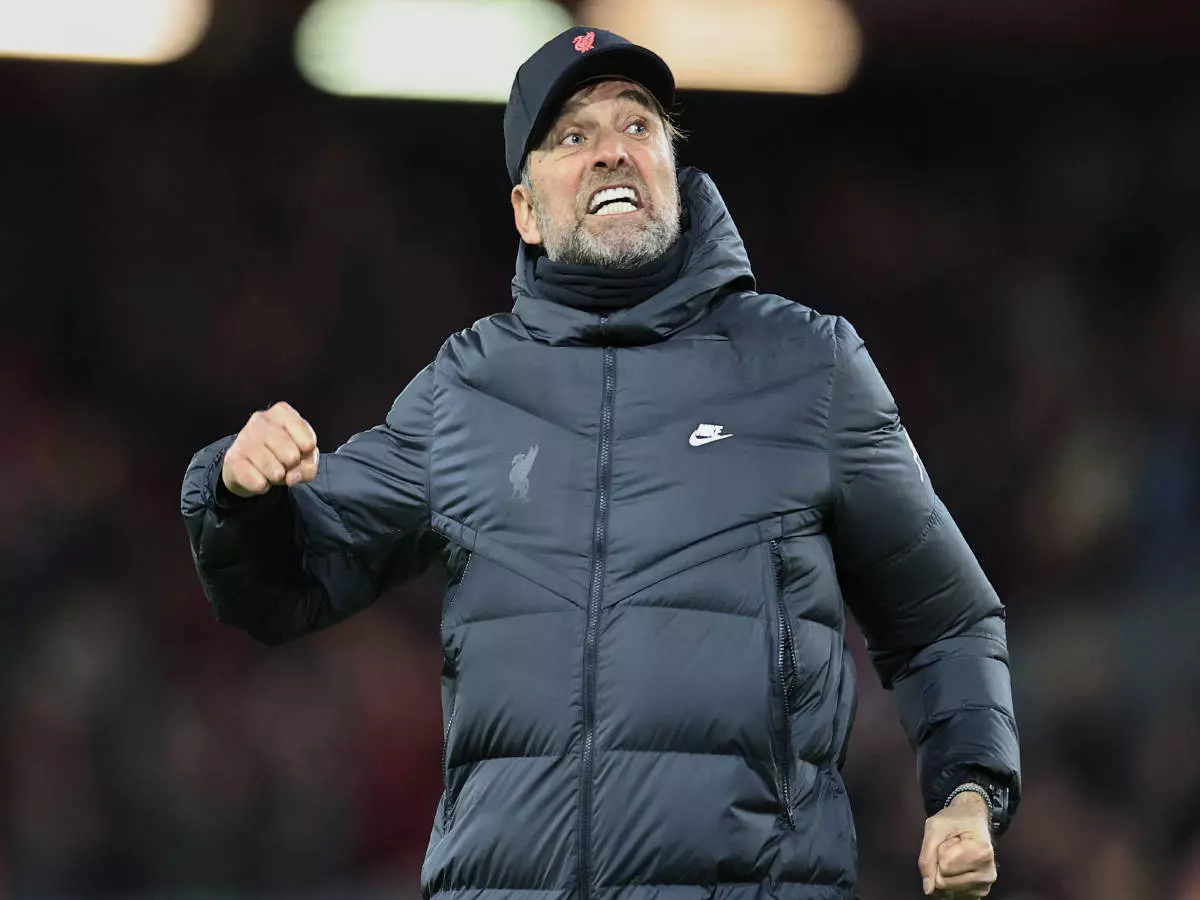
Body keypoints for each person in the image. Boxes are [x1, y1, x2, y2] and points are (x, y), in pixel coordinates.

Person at [181, 26, 1021, 900]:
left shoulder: (808, 367)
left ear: (672, 171)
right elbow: (284, 582)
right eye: (573, 136)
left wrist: (966, 793)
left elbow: (944, 621)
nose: (612, 150)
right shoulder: (467, 389)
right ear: (526, 211)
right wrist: (237, 490)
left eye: (638, 124)